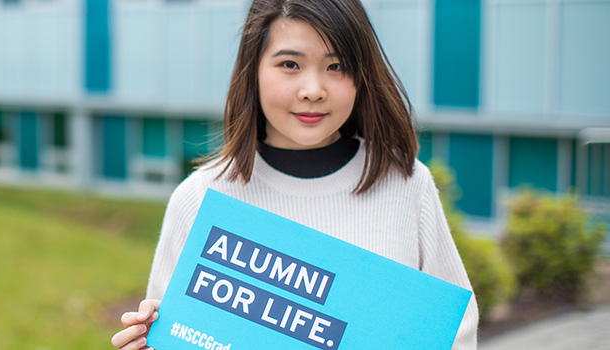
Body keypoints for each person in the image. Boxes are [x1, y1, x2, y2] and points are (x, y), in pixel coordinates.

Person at [111, 0, 479, 348]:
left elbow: (455, 333)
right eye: (290, 64)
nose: (313, 91)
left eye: (336, 67)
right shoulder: (201, 197)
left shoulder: (407, 184)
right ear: (252, 69)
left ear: (361, 76)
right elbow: (177, 332)